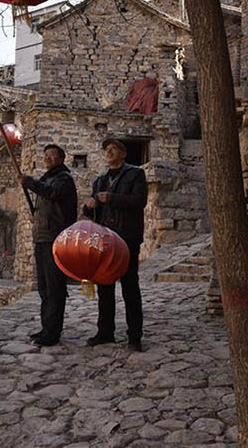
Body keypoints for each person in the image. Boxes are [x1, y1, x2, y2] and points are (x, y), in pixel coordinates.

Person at [84, 138, 147, 352]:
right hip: (105, 239)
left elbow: (139, 202)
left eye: (113, 149)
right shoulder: (99, 180)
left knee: (130, 286)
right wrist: (89, 205)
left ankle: (134, 336)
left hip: (127, 238)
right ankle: (105, 332)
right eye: (106, 149)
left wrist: (111, 198)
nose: (109, 152)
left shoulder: (136, 174)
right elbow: (94, 212)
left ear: (123, 153)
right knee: (105, 286)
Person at [20, 144, 77, 346]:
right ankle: (47, 328)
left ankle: (53, 332)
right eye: (46, 156)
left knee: (54, 287)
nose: (48, 159)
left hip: (56, 239)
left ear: (61, 159)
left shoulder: (64, 179)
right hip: (42, 237)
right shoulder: (48, 179)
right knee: (44, 287)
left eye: (53, 156)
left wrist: (30, 183)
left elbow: (52, 193)